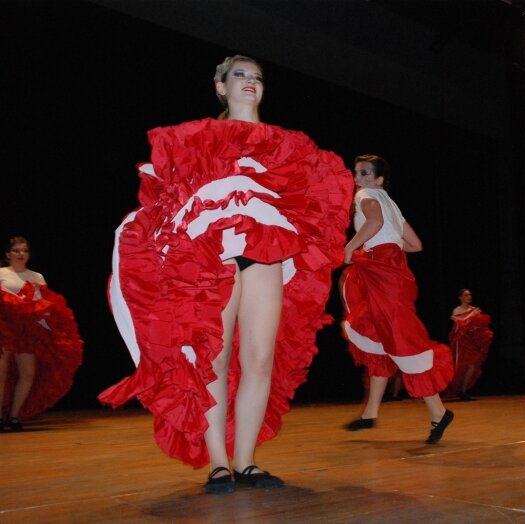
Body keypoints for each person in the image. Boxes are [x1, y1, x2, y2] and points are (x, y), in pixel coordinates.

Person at [98, 55, 353, 494]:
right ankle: (219, 464)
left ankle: (247, 461)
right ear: (220, 86)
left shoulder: (288, 143)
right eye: (240, 75)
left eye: (257, 77)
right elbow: (168, 191)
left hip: (265, 247)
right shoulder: (197, 136)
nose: (250, 82)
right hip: (211, 249)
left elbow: (318, 197)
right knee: (213, 356)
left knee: (259, 357)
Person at [340, 154, 454, 444]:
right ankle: (370, 414)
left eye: (365, 173)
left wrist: (352, 247)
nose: (358, 178)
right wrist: (386, 247)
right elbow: (415, 245)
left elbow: (375, 223)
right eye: (357, 173)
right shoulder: (391, 203)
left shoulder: (365, 196)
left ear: (378, 180)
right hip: (392, 270)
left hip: (383, 272)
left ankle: (439, 412)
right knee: (382, 337)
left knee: (401, 342)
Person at [0, 237, 83, 431]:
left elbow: (44, 309)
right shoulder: (1, 274)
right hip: (4, 329)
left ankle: (13, 416)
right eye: (16, 250)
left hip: (29, 332)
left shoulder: (37, 277)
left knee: (28, 373)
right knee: (1, 374)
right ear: (7, 254)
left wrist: (56, 336)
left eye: (25, 250)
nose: (21, 254)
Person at [442, 288, 493, 401]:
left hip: (472, 343)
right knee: (460, 367)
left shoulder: (474, 309)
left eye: (469, 295)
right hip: (461, 343)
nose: (469, 297)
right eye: (466, 295)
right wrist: (471, 315)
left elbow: (480, 327)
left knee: (472, 366)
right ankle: (457, 389)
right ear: (460, 298)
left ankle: (463, 390)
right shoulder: (457, 310)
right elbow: (459, 324)